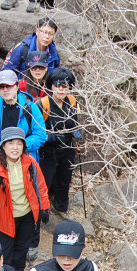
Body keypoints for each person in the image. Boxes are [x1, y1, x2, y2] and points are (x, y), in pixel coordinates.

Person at [0, 127, 50, 271]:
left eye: (19, 143)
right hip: (5, 218)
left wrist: (45, 208)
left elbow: (40, 187)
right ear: (3, 146)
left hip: (27, 216)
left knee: (22, 251)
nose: (15, 147)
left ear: (24, 146)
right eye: (10, 143)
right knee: (6, 254)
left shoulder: (30, 163)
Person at [39, 67, 81, 214]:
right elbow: (35, 131)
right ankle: (42, 210)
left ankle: (61, 208)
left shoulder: (72, 101)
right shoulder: (43, 105)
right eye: (58, 86)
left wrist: (75, 130)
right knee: (45, 181)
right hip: (48, 151)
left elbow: (74, 120)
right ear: (51, 86)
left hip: (67, 149)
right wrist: (51, 137)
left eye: (65, 86)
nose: (61, 90)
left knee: (64, 180)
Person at [0, 69, 47, 163]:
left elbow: (40, 133)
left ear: (17, 86)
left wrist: (21, 147)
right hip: (1, 158)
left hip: (27, 158)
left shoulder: (30, 107)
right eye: (1, 87)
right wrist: (2, 148)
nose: (5, 89)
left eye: (9, 86)